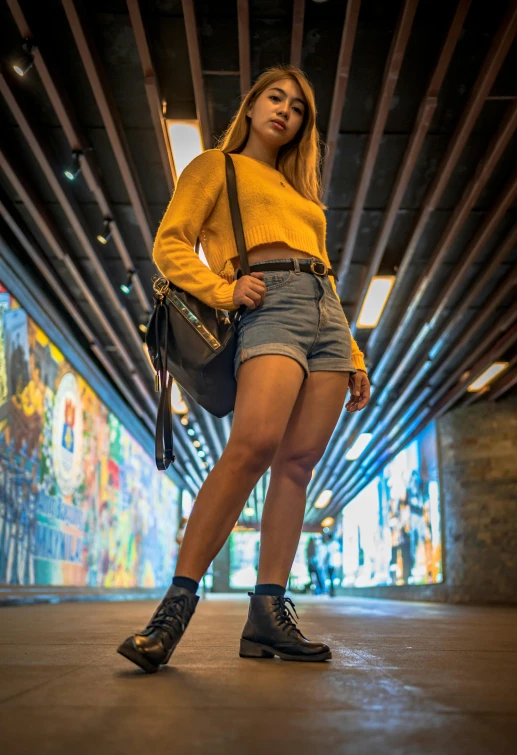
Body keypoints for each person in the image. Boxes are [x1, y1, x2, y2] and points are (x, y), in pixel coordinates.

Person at [117, 65, 371, 673]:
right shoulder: (215, 166)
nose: (285, 111)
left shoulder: (305, 199)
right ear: (252, 107)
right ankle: (173, 611)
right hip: (270, 302)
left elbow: (326, 273)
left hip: (326, 315)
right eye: (274, 98)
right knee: (252, 444)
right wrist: (222, 291)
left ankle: (267, 616)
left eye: (298, 108)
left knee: (298, 463)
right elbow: (169, 245)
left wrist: (355, 353)